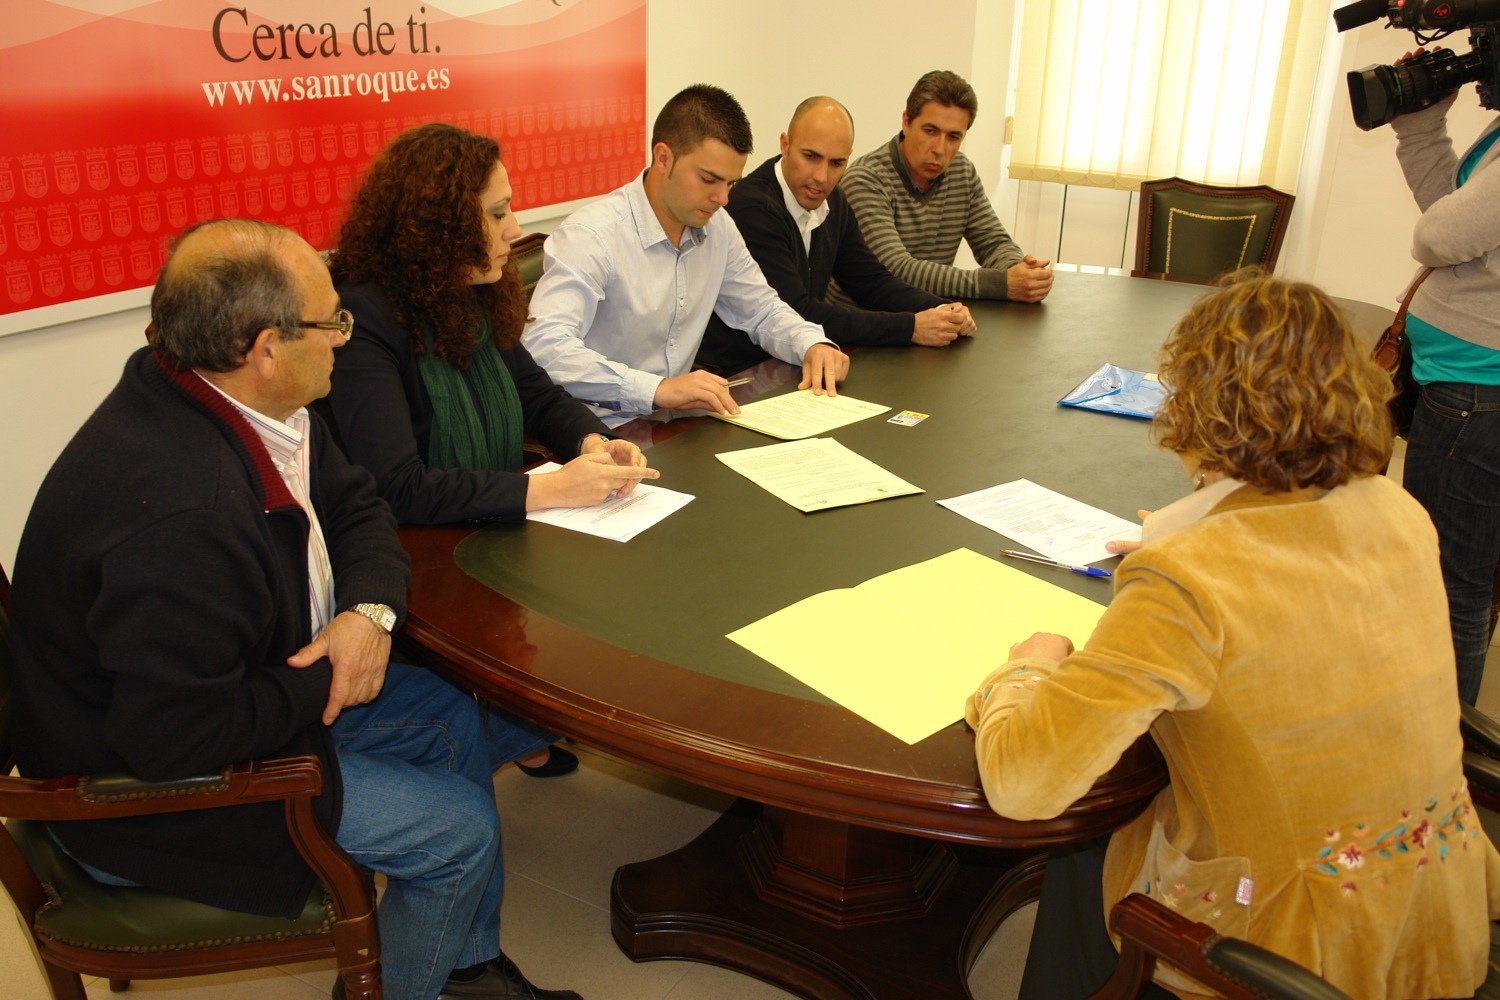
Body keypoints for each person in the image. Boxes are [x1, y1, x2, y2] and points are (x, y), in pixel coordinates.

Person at [8, 219, 582, 1000]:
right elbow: (175, 738)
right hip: (144, 798)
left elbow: (359, 506)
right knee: (460, 833)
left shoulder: (241, 400)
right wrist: (328, 676)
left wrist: (368, 615)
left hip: (235, 697)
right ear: (265, 348)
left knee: (448, 712)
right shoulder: (185, 517)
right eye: (330, 321)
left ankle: (459, 968)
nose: (346, 336)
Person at [965, 272, 1498, 998]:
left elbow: (1023, 784)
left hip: (1294, 947)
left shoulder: (1186, 580)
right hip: (1435, 914)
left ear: (1194, 405)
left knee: (1085, 842)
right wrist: (1193, 527)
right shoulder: (1397, 512)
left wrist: (1026, 672)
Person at [323, 123, 659, 780]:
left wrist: (594, 441)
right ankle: (500, 728)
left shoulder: (473, 290)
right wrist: (549, 488)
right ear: (440, 225)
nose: (515, 230)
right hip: (411, 553)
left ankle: (512, 725)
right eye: (498, 213)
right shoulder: (362, 320)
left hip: (485, 522)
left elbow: (536, 394)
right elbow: (396, 484)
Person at [522, 84, 850, 427]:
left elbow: (760, 309)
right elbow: (544, 348)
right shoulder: (592, 236)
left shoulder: (718, 226)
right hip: (596, 431)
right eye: (709, 179)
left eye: (731, 183)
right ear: (664, 158)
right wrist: (655, 389)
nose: (722, 198)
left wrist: (811, 343)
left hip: (673, 425)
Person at [695, 96, 977, 377]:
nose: (822, 176)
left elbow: (869, 280)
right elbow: (797, 310)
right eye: (811, 157)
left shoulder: (834, 200)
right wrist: (911, 327)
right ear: (785, 144)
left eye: (836, 163)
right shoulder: (752, 206)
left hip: (795, 361)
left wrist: (942, 309)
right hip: (737, 372)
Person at [1390, 76, 1500, 706]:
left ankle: (1439, 737)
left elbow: (1437, 239)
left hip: (1478, 394)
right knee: (1445, 570)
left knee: (1451, 581)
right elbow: (1451, 212)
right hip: (1460, 383)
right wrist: (1420, 127)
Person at [840, 70, 1052, 304]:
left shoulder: (961, 171)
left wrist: (1019, 270)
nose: (940, 149)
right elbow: (897, 270)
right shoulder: (866, 179)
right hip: (864, 319)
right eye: (930, 131)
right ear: (906, 122)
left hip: (930, 314)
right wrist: (1001, 283)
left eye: (953, 137)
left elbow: (994, 243)